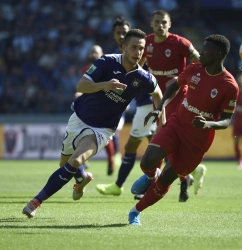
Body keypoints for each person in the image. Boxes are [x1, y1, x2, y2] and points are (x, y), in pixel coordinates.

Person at [22, 29, 165, 219]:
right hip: (80, 118)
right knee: (64, 163)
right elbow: (81, 86)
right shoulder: (107, 62)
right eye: (133, 47)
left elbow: (158, 94)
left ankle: (35, 202)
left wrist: (159, 113)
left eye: (141, 48)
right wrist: (105, 85)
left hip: (103, 129)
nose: (137, 52)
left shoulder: (143, 77)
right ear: (124, 47)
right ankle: (81, 179)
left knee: (75, 161)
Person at [127, 34, 239, 225]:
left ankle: (135, 212)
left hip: (197, 140)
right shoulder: (194, 69)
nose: (200, 52)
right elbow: (174, 86)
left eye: (205, 49)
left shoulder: (229, 86)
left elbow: (227, 120)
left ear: (218, 54)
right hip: (177, 123)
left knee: (168, 178)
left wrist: (208, 124)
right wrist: (161, 107)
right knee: (147, 161)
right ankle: (150, 174)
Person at [96, 9, 205, 202]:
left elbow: (200, 62)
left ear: (169, 24)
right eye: (157, 22)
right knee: (161, 143)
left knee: (163, 142)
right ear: (151, 24)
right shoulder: (147, 43)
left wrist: (187, 77)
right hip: (158, 100)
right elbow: (138, 66)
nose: (160, 25)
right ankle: (187, 173)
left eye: (164, 22)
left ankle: (172, 178)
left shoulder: (180, 43)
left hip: (179, 100)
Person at [96, 17, 159, 198]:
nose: (122, 36)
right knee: (157, 145)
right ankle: (187, 173)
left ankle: (123, 185)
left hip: (146, 104)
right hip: (140, 105)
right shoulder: (117, 57)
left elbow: (148, 79)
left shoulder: (138, 53)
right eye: (119, 33)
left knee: (134, 146)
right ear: (114, 36)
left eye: (125, 32)